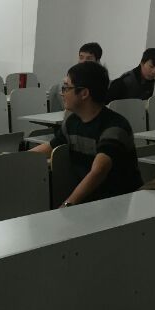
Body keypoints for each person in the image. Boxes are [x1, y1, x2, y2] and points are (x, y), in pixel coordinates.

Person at [31, 60, 142, 205]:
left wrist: (67, 205)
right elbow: (51, 147)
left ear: (84, 93)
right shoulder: (72, 121)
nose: (62, 93)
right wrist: (15, 159)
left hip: (120, 203)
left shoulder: (114, 127)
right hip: (91, 201)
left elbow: (98, 171)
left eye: (66, 88)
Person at [48, 42, 103, 109]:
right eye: (81, 58)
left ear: (97, 61)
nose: (83, 62)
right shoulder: (67, 81)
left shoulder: (103, 82)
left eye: (89, 58)